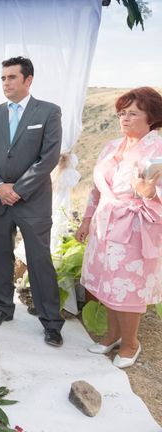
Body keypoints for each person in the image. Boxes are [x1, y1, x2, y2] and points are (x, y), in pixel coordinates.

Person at [0, 56, 64, 347]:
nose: (6, 82)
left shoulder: (49, 112)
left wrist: (20, 189)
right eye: (3, 78)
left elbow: (48, 157)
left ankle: (51, 322)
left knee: (39, 261)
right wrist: (0, 187)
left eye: (12, 77)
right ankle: (2, 309)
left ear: (28, 80)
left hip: (33, 201)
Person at [75, 87, 162, 368]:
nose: (124, 118)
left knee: (128, 286)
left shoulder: (158, 149)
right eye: (121, 113)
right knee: (106, 281)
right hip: (105, 223)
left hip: (137, 226)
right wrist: (87, 221)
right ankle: (111, 335)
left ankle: (130, 343)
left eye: (132, 113)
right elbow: (96, 190)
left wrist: (149, 191)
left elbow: (153, 190)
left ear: (151, 117)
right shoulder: (111, 146)